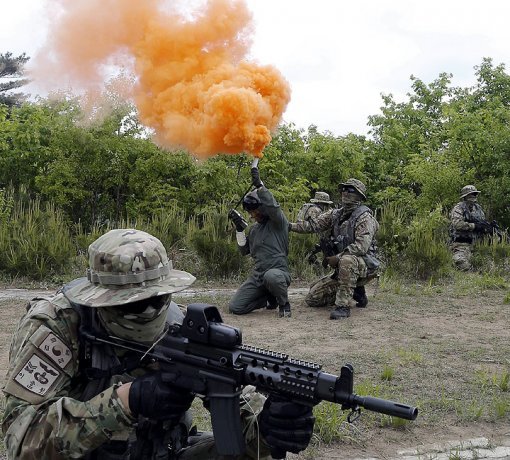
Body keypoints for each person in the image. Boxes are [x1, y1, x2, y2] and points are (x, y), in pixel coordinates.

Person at [1, 229, 314, 459]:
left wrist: (268, 429)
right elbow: (21, 441)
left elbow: (238, 407)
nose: (150, 311)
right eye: (135, 304)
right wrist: (125, 401)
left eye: (158, 298)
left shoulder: (179, 324)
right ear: (102, 301)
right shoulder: (57, 326)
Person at [289, 179, 380, 320]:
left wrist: (337, 257)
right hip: (345, 266)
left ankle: (343, 306)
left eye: (350, 190)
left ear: (359, 196)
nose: (345, 192)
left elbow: (361, 247)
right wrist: (287, 225)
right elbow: (313, 226)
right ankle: (356, 290)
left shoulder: (365, 218)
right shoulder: (335, 214)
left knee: (347, 260)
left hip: (365, 265)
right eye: (343, 189)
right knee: (313, 298)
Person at [228, 166, 292, 318]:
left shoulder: (278, 222)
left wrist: (260, 186)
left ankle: (284, 303)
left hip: (278, 273)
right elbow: (244, 251)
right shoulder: (255, 229)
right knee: (235, 307)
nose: (252, 215)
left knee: (272, 277)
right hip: (258, 276)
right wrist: (239, 229)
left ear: (263, 208)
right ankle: (268, 298)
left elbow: (273, 206)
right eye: (250, 212)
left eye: (254, 211)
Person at [449, 184, 489, 271]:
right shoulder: (458, 208)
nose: (473, 196)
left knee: (488, 264)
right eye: (471, 194)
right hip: (461, 245)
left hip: (477, 245)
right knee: (462, 265)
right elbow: (457, 224)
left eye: (474, 194)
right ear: (465, 196)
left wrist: (485, 228)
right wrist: (474, 226)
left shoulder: (479, 209)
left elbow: (482, 223)